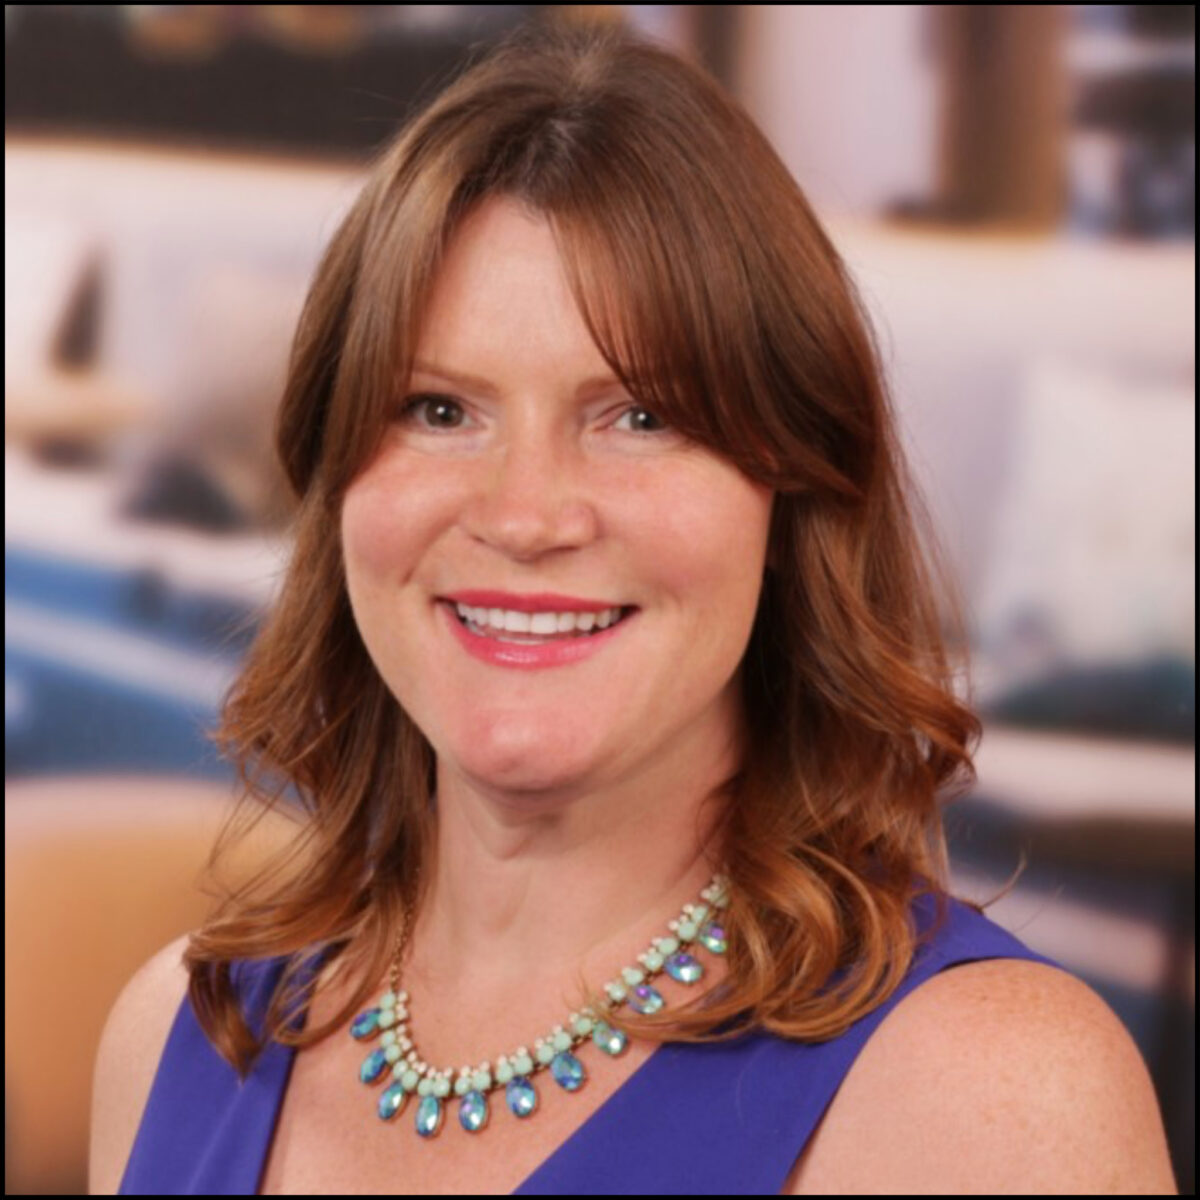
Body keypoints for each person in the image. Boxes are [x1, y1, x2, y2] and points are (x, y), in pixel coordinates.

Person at [90, 20, 1178, 1196]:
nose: (526, 514)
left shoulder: (992, 1100)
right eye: (439, 410)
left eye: (641, 416)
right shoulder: (171, 1033)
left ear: (792, 490)